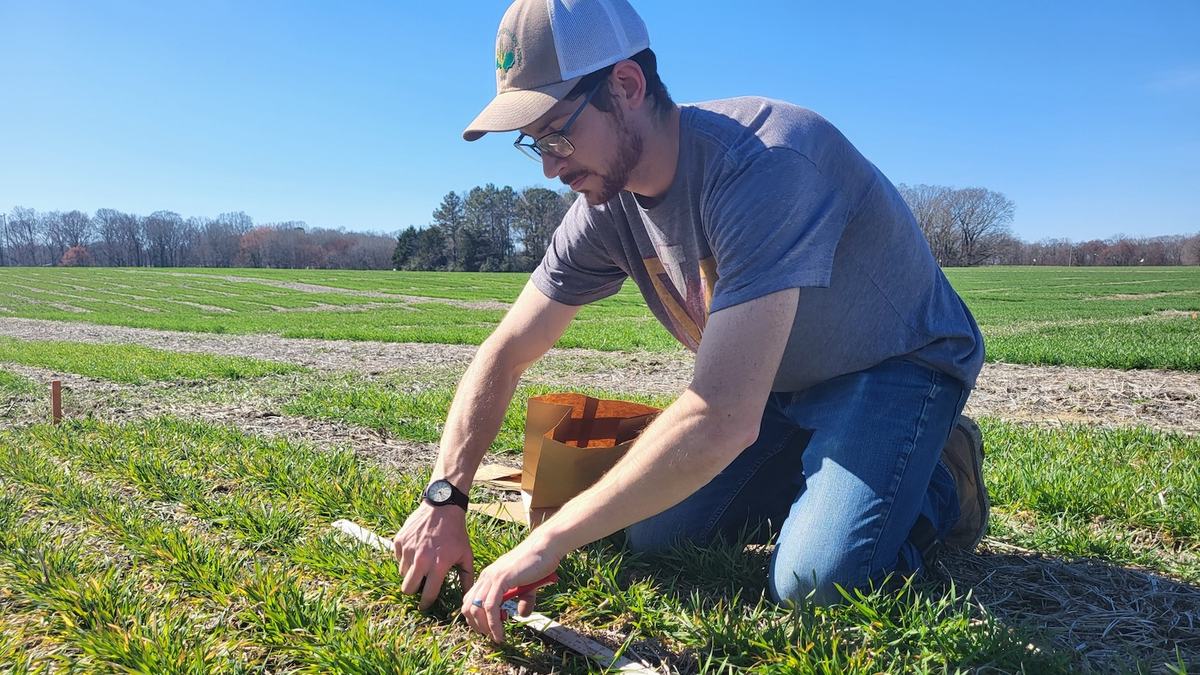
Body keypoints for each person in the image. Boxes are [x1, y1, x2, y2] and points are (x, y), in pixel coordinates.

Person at [393, 0, 988, 644]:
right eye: (533, 142)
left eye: (558, 132)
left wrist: (551, 542)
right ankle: (826, 472)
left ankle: (940, 476)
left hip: (894, 366)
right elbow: (506, 350)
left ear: (625, 86)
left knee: (819, 585)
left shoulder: (766, 164)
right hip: (774, 389)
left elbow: (720, 416)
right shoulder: (604, 203)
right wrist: (444, 498)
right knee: (651, 535)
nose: (550, 166)